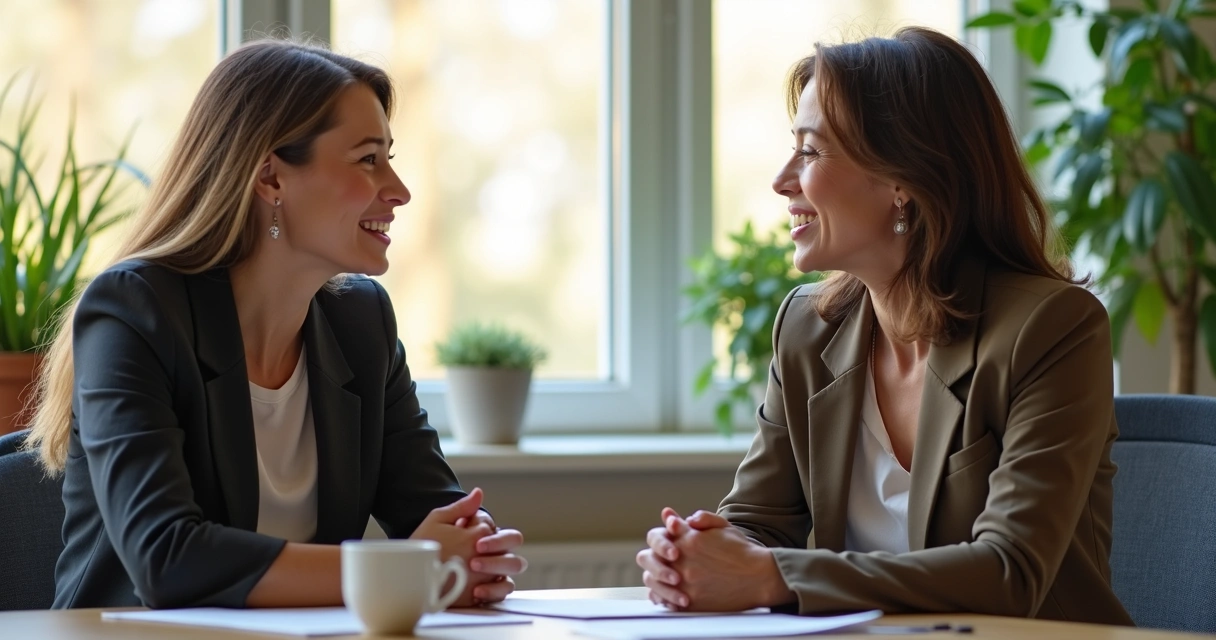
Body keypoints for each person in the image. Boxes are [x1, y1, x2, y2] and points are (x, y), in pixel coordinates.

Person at [637, 27, 1133, 625]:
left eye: (812, 151)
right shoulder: (806, 328)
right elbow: (760, 523)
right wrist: (697, 552)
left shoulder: (1051, 328)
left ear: (903, 179)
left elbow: (1010, 571)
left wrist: (772, 576)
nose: (782, 179)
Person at [25, 39, 526, 610]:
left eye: (390, 157)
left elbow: (436, 515)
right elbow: (166, 558)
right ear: (270, 178)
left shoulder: (362, 322)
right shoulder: (134, 312)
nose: (399, 190)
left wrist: (475, 550)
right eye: (368, 159)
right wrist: (406, 567)